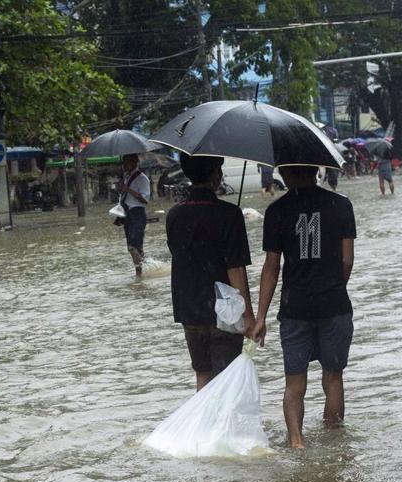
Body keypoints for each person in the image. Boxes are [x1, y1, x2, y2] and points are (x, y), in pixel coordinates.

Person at [251, 165, 356, 449]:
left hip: (294, 308)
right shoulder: (341, 205)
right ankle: (335, 445)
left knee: (294, 383)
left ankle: (297, 443)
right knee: (333, 379)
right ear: (316, 169)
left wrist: (260, 317)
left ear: (286, 172)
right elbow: (347, 260)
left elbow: (272, 267)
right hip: (334, 305)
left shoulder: (276, 211)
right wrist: (333, 286)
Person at [166, 154, 255, 391]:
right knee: (227, 378)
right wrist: (248, 315)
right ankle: (225, 427)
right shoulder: (229, 214)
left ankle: (203, 426)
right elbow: (235, 268)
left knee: (203, 375)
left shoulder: (174, 215)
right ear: (215, 174)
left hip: (189, 309)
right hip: (223, 311)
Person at [117, 153, 151, 276]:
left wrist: (128, 190)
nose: (124, 165)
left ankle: (142, 271)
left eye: (126, 162)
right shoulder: (127, 177)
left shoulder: (142, 178)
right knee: (134, 247)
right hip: (127, 214)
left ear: (133, 162)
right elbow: (125, 197)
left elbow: (145, 200)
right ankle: (142, 272)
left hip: (137, 213)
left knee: (133, 247)